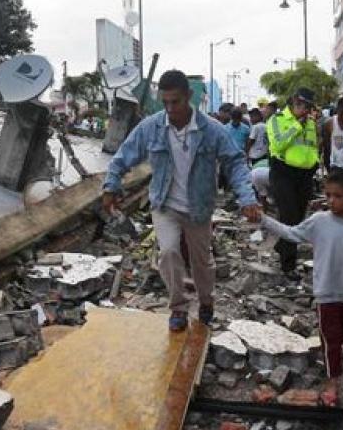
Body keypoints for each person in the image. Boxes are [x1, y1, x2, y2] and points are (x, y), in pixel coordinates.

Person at [102, 70, 261, 331]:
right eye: (165, 102)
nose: (170, 108)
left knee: (202, 262)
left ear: (189, 96)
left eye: (175, 101)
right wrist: (111, 185)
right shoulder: (151, 127)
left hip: (199, 207)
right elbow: (123, 156)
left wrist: (247, 198)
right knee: (168, 253)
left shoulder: (212, 130)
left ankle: (206, 301)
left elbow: (235, 163)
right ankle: (178, 308)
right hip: (165, 205)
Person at [252, 169, 343, 406]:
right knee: (331, 338)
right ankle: (332, 382)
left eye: (337, 196)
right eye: (327, 194)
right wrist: (263, 219)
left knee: (342, 336)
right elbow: (291, 233)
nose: (330, 200)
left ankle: (333, 362)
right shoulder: (319, 221)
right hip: (326, 292)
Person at [266, 88, 321, 276]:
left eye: (307, 106)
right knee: (289, 218)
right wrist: (297, 124)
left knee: (298, 218)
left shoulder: (311, 123)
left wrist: (315, 163)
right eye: (302, 105)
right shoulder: (277, 120)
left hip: (304, 175)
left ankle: (282, 245)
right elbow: (278, 144)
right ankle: (288, 265)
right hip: (283, 173)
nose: (305, 109)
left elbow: (312, 146)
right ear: (294, 103)